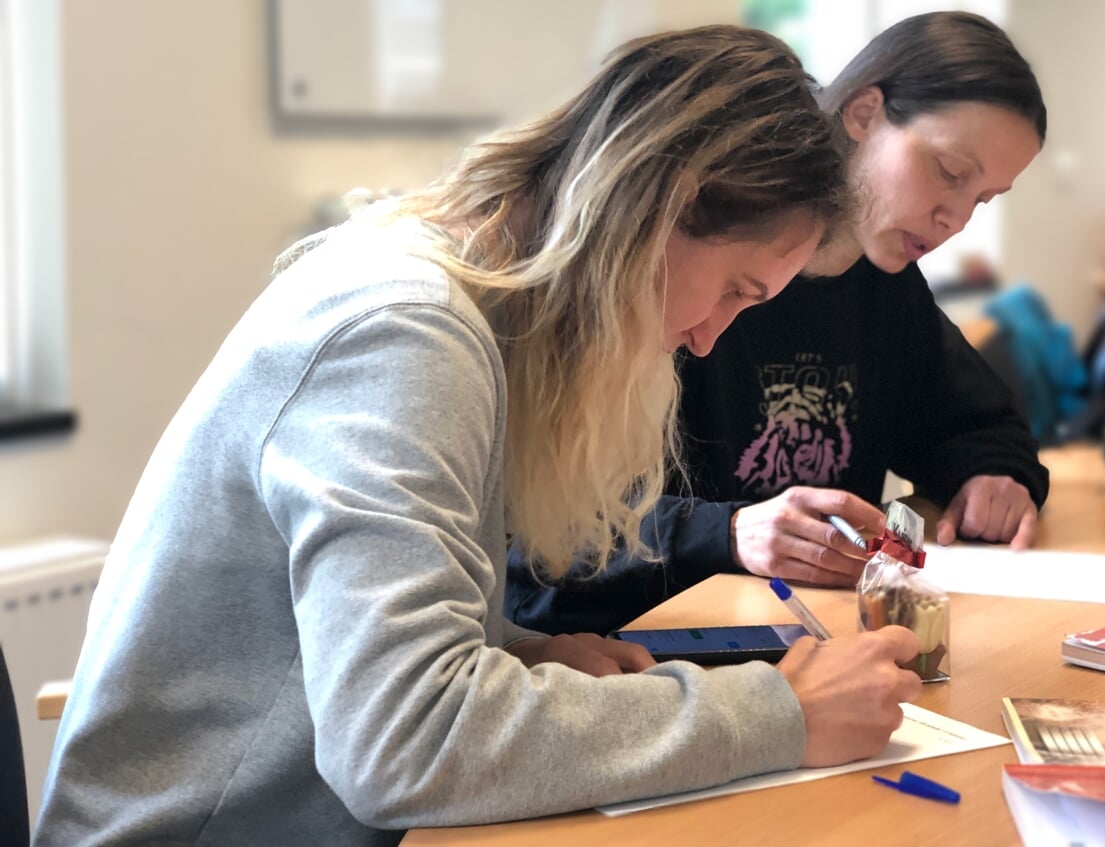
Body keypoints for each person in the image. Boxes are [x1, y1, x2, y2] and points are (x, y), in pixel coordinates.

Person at [35, 27, 923, 846]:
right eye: (735, 289)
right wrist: (778, 711)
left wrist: (511, 652)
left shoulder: (469, 305)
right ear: (660, 206)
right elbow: (403, 741)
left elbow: (360, 654)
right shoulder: (402, 332)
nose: (706, 338)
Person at [508, 12, 1050, 636]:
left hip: (794, 630)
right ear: (864, 113)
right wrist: (730, 531)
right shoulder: (668, 272)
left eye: (982, 199)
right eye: (949, 172)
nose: (956, 219)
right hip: (623, 639)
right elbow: (541, 530)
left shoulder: (885, 286)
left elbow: (975, 425)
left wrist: (996, 478)